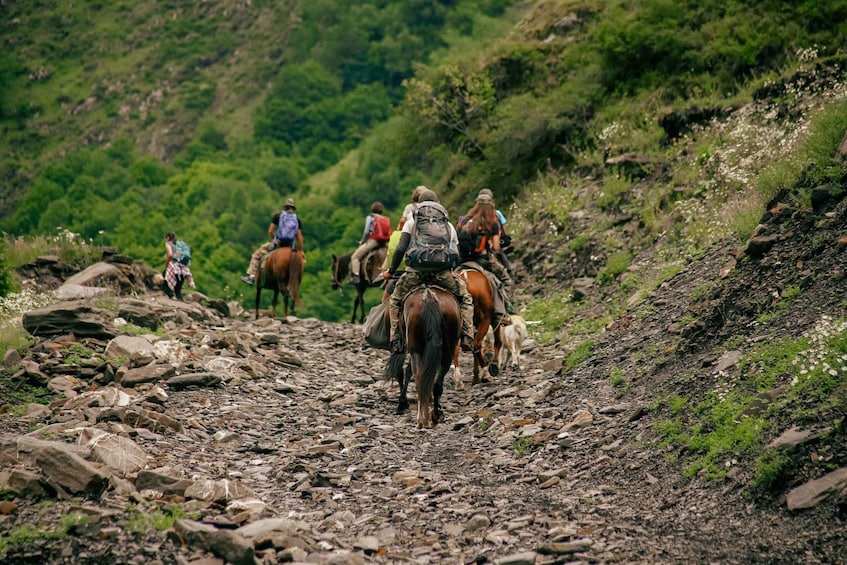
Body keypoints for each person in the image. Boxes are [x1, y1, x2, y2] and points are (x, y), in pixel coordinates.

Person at [383, 188, 475, 354]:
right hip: (442, 272)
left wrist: (391, 270)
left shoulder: (412, 222)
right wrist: (450, 269)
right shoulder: (448, 225)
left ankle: (395, 339)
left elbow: (400, 249)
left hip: (416, 272)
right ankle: (467, 336)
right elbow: (456, 253)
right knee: (465, 298)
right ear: (438, 205)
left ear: (419, 204)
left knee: (396, 299)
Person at [457, 190, 515, 314]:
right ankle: (504, 311)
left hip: (461, 259)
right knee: (506, 280)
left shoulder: (464, 219)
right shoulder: (491, 222)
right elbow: (495, 247)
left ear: (476, 205)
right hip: (482, 259)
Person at [241, 198, 304, 286]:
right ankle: (292, 284)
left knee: (257, 255)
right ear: (293, 208)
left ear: (285, 207)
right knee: (298, 263)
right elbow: (299, 237)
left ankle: (251, 277)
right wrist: (301, 250)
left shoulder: (278, 216)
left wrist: (273, 241)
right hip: (290, 246)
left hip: (278, 243)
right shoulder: (297, 220)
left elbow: (270, 231)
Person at [350, 202, 391, 285]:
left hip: (374, 241)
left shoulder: (370, 218)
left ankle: (356, 276)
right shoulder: (385, 218)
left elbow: (366, 232)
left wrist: (362, 241)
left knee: (355, 257)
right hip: (384, 242)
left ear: (372, 209)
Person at [163, 232, 195, 301]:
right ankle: (180, 300)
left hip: (173, 267)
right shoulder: (178, 245)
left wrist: (167, 265)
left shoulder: (168, 244)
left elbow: (170, 255)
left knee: (164, 283)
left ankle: (172, 296)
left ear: (168, 238)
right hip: (183, 269)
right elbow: (179, 257)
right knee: (178, 289)